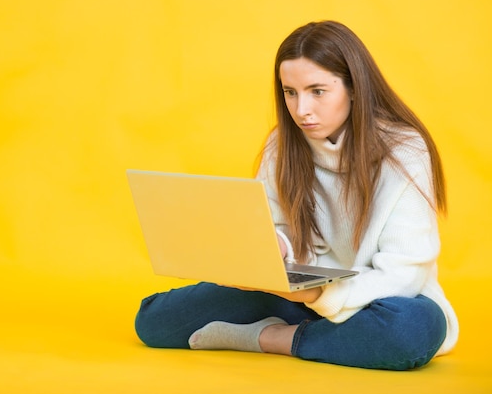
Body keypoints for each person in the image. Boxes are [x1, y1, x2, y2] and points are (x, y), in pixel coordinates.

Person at [133, 20, 458, 370]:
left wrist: (320, 295)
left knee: (414, 328)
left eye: (317, 91)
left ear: (353, 88)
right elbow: (279, 229)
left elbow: (404, 273)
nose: (302, 109)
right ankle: (323, 338)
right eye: (290, 92)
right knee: (153, 321)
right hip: (294, 295)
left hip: (378, 300)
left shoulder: (405, 151)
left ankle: (270, 339)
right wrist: (274, 246)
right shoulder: (282, 145)